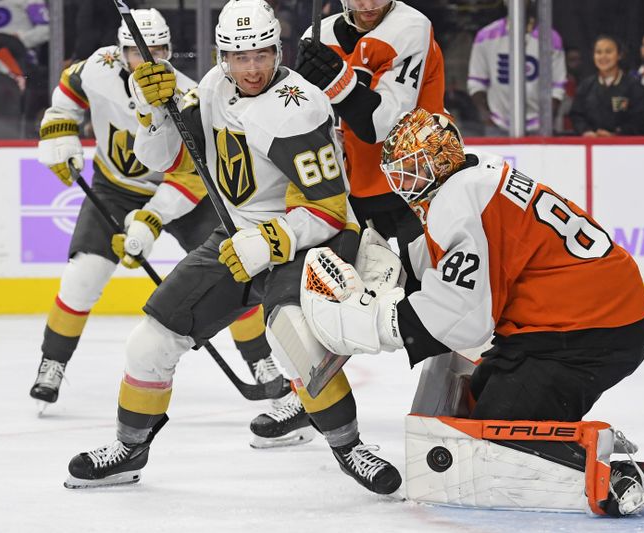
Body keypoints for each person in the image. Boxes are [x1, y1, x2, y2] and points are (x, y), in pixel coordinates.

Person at [63, 0, 401, 496]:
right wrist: (150, 109)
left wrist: (270, 241)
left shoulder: (299, 106)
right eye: (239, 57)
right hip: (239, 235)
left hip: (306, 238)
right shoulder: (214, 88)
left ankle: (350, 447)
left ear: (277, 50)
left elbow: (329, 207)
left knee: (297, 341)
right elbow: (160, 159)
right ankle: (129, 450)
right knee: (149, 342)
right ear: (222, 56)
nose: (251, 68)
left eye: (262, 55)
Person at [300, 107, 644, 515]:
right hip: (583, 319)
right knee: (480, 400)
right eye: (399, 172)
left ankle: (617, 477)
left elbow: (462, 317)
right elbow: (462, 278)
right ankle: (585, 451)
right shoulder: (478, 175)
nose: (402, 183)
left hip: (588, 329)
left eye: (412, 169)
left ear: (440, 160)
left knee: (496, 439)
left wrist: (376, 321)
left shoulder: (457, 201)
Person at [29, 9, 283, 417]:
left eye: (158, 49)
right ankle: (53, 362)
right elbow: (68, 91)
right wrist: (59, 128)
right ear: (119, 49)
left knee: (235, 268)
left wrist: (152, 218)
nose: (146, 59)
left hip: (179, 196)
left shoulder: (186, 94)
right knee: (83, 278)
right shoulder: (98, 67)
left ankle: (259, 359)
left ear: (169, 49)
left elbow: (195, 175)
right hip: (113, 189)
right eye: (134, 51)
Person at [293, 0, 444, 275]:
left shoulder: (410, 27)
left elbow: (382, 125)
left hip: (419, 186)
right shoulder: (317, 37)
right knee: (351, 293)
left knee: (425, 285)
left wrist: (337, 82)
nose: (368, 4)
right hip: (353, 190)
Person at [467, 0, 567, 135]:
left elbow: (558, 86)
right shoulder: (486, 36)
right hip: (497, 125)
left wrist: (546, 119)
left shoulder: (549, 38)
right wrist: (486, 115)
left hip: (538, 127)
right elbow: (476, 82)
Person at [569, 35, 644, 136]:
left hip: (624, 147)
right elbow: (577, 115)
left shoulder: (633, 85)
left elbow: (639, 119)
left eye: (608, 52)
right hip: (591, 145)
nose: (603, 57)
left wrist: (617, 134)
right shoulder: (586, 86)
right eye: (598, 52)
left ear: (619, 55)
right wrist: (586, 131)